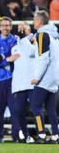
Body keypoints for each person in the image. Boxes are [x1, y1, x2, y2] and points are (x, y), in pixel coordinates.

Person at [0, 16, 19, 143]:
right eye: (3, 25)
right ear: (0, 27)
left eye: (8, 25)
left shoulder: (16, 39)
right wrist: (8, 59)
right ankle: (0, 137)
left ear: (11, 27)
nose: (5, 27)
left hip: (14, 79)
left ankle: (16, 137)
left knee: (15, 109)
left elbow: (19, 55)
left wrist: (4, 58)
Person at [31, 10, 59, 144]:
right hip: (54, 77)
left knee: (35, 106)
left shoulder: (42, 35)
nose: (33, 22)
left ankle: (41, 134)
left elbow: (43, 58)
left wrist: (37, 77)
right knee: (51, 109)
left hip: (45, 78)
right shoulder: (54, 35)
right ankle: (55, 135)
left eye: (34, 19)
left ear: (39, 21)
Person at [10, 22, 35, 143]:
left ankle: (41, 134)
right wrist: (8, 59)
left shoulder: (34, 41)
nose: (21, 29)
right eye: (19, 27)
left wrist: (26, 38)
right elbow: (11, 61)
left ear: (29, 29)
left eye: (24, 27)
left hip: (33, 82)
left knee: (37, 110)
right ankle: (26, 135)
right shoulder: (15, 46)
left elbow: (32, 52)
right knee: (18, 110)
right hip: (20, 84)